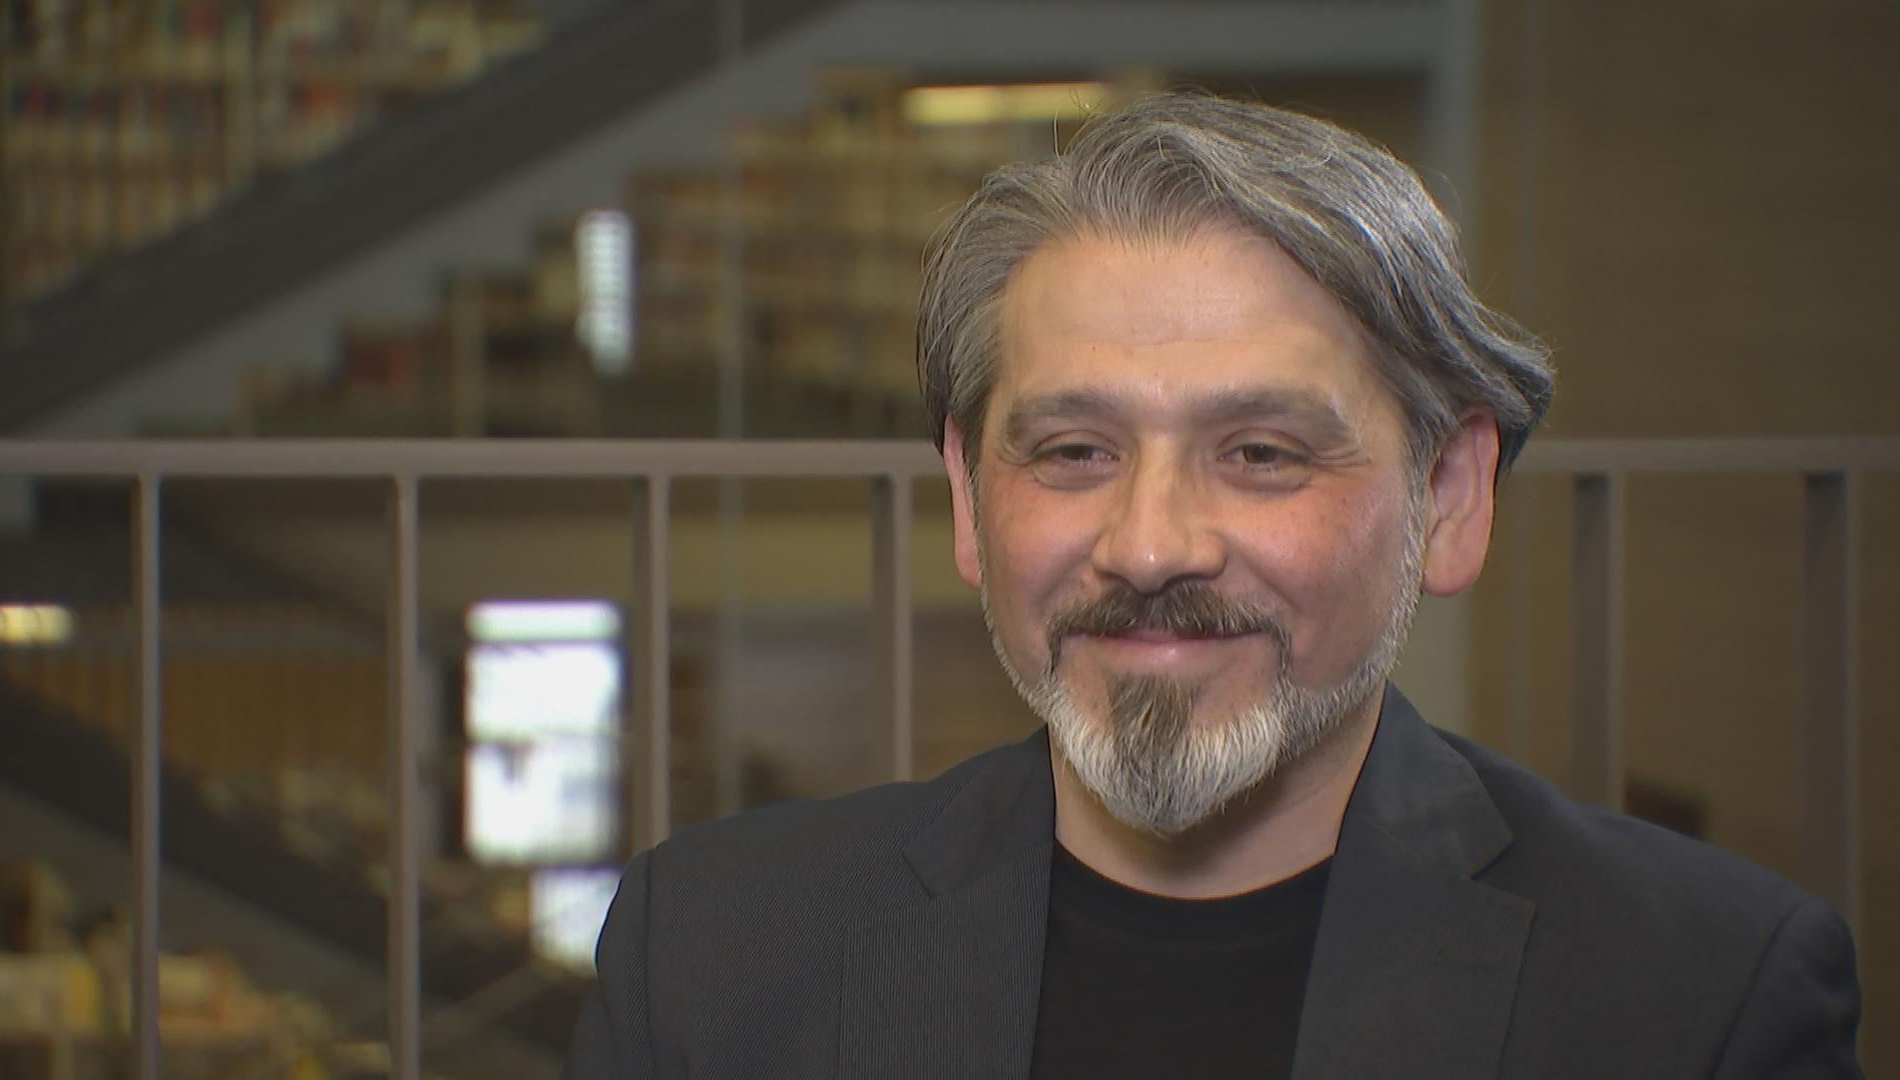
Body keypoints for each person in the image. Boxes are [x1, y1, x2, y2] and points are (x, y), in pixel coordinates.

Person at [562, 92, 1861, 1078]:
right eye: (1074, 452)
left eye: (1261, 454)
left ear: (1449, 498)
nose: (1149, 546)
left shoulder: (1701, 999)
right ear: (967, 500)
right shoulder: (714, 957)